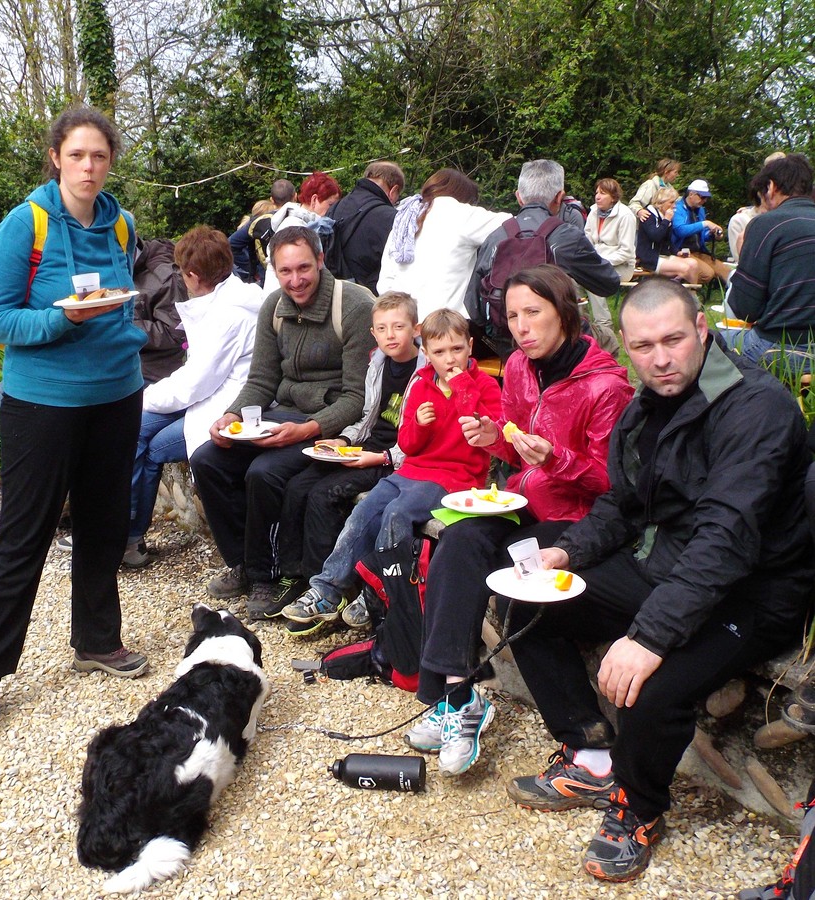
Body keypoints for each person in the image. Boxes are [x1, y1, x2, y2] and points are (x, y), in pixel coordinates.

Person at [502, 277, 813, 882]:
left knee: (653, 683)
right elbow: (623, 504)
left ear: (702, 329)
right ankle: (591, 756)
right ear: (625, 346)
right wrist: (567, 552)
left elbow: (726, 540)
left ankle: (638, 810)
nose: (661, 358)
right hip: (672, 565)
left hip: (754, 589)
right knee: (530, 607)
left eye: (673, 339)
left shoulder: (755, 407)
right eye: (644, 347)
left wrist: (649, 637)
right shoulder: (647, 405)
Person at [0, 107, 150, 738]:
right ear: (56, 159)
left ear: (110, 161)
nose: (89, 167)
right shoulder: (27, 224)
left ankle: (96, 640)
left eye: (99, 156)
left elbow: (118, 302)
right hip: (43, 403)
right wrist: (59, 320)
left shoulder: (119, 223)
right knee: (24, 535)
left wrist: (124, 325)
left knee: (102, 526)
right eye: (77, 156)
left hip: (116, 395)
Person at [406, 265, 633, 776]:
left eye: (533, 312)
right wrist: (494, 437)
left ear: (565, 313)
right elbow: (515, 438)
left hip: (577, 518)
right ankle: (456, 700)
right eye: (512, 316)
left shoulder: (605, 387)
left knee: (516, 582)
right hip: (523, 501)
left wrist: (555, 460)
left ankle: (590, 745)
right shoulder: (517, 369)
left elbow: (616, 485)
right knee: (459, 540)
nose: (522, 327)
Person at [189, 225, 375, 617]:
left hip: (330, 425)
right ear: (273, 269)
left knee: (265, 472)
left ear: (322, 261)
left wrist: (309, 429)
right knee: (206, 459)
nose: (296, 280)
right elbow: (261, 380)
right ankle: (242, 559)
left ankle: (269, 575)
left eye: (304, 268)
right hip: (281, 415)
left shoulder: (355, 305)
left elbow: (358, 397)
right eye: (285, 271)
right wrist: (231, 415)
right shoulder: (274, 306)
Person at [281, 308, 503, 630]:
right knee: (363, 513)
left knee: (397, 514)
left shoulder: (484, 386)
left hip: (454, 478)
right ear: (426, 353)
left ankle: (378, 591)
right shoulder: (421, 385)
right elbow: (408, 445)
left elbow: (480, 433)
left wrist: (463, 388)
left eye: (457, 349)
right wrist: (420, 425)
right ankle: (328, 589)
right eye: (439, 352)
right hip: (410, 472)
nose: (450, 359)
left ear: (470, 346)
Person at [275, 291, 424, 629]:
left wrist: (378, 458)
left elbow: (419, 438)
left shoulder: (425, 369)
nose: (390, 335)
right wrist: (343, 439)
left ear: (415, 329)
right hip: (368, 445)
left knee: (325, 494)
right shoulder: (378, 363)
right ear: (373, 333)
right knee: (299, 484)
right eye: (382, 328)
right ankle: (300, 578)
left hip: (394, 458)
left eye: (398, 327)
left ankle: (326, 590)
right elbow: (369, 417)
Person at [125, 226, 264, 567]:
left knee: (148, 441)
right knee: (134, 429)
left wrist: (140, 398)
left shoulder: (231, 313)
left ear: (192, 274)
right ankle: (124, 536)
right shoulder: (226, 298)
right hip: (209, 397)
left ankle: (126, 539)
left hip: (225, 406)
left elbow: (194, 384)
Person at [465, 159, 621, 359]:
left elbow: (473, 307)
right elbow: (609, 284)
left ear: (519, 197)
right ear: (560, 197)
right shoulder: (566, 236)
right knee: (608, 338)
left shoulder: (495, 237)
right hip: (561, 347)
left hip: (508, 347)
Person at [377, 168, 510, 321]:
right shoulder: (458, 213)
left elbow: (384, 282)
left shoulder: (405, 216)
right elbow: (512, 225)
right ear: (464, 196)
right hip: (444, 327)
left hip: (404, 324)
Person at [727, 153, 815, 371]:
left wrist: (743, 260)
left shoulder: (765, 224)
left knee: (709, 342)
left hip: (783, 349)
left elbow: (744, 309)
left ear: (771, 187)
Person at [325, 161, 404, 293]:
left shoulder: (335, 208)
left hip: (333, 294)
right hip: (368, 300)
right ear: (393, 190)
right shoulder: (391, 218)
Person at [261, 172, 342, 295]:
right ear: (314, 199)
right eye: (330, 205)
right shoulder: (295, 227)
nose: (333, 210)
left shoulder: (300, 222)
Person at [584, 178, 637, 356]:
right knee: (571, 276)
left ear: (613, 197)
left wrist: (599, 261)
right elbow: (587, 239)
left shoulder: (626, 215)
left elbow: (626, 252)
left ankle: (604, 327)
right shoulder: (593, 212)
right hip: (595, 263)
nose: (597, 197)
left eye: (603, 193)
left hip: (621, 266)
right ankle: (580, 321)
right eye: (597, 192)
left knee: (593, 278)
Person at [132, 236, 187, 385]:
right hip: (122, 364)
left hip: (153, 373)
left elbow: (176, 333)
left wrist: (126, 325)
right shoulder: (115, 271)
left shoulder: (165, 276)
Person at [229, 179, 296, 283]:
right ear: (295, 196)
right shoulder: (307, 217)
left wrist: (251, 266)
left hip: (269, 278)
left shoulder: (258, 222)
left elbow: (231, 244)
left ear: (272, 200)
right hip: (298, 277)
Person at [670, 179, 732, 285]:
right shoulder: (677, 208)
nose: (704, 200)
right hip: (682, 252)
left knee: (727, 273)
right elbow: (680, 230)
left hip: (699, 252)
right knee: (707, 274)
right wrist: (705, 224)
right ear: (691, 194)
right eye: (702, 197)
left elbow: (702, 235)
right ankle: (683, 290)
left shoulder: (700, 210)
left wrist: (712, 234)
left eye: (706, 198)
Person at [636, 187, 701, 283]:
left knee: (693, 264)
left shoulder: (665, 215)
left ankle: (692, 293)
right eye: (671, 202)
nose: (674, 206)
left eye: (675, 202)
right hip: (650, 258)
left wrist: (677, 252)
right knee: (685, 268)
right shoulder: (648, 215)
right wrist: (666, 220)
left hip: (664, 255)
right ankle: (681, 292)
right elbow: (656, 237)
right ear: (660, 203)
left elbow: (668, 241)